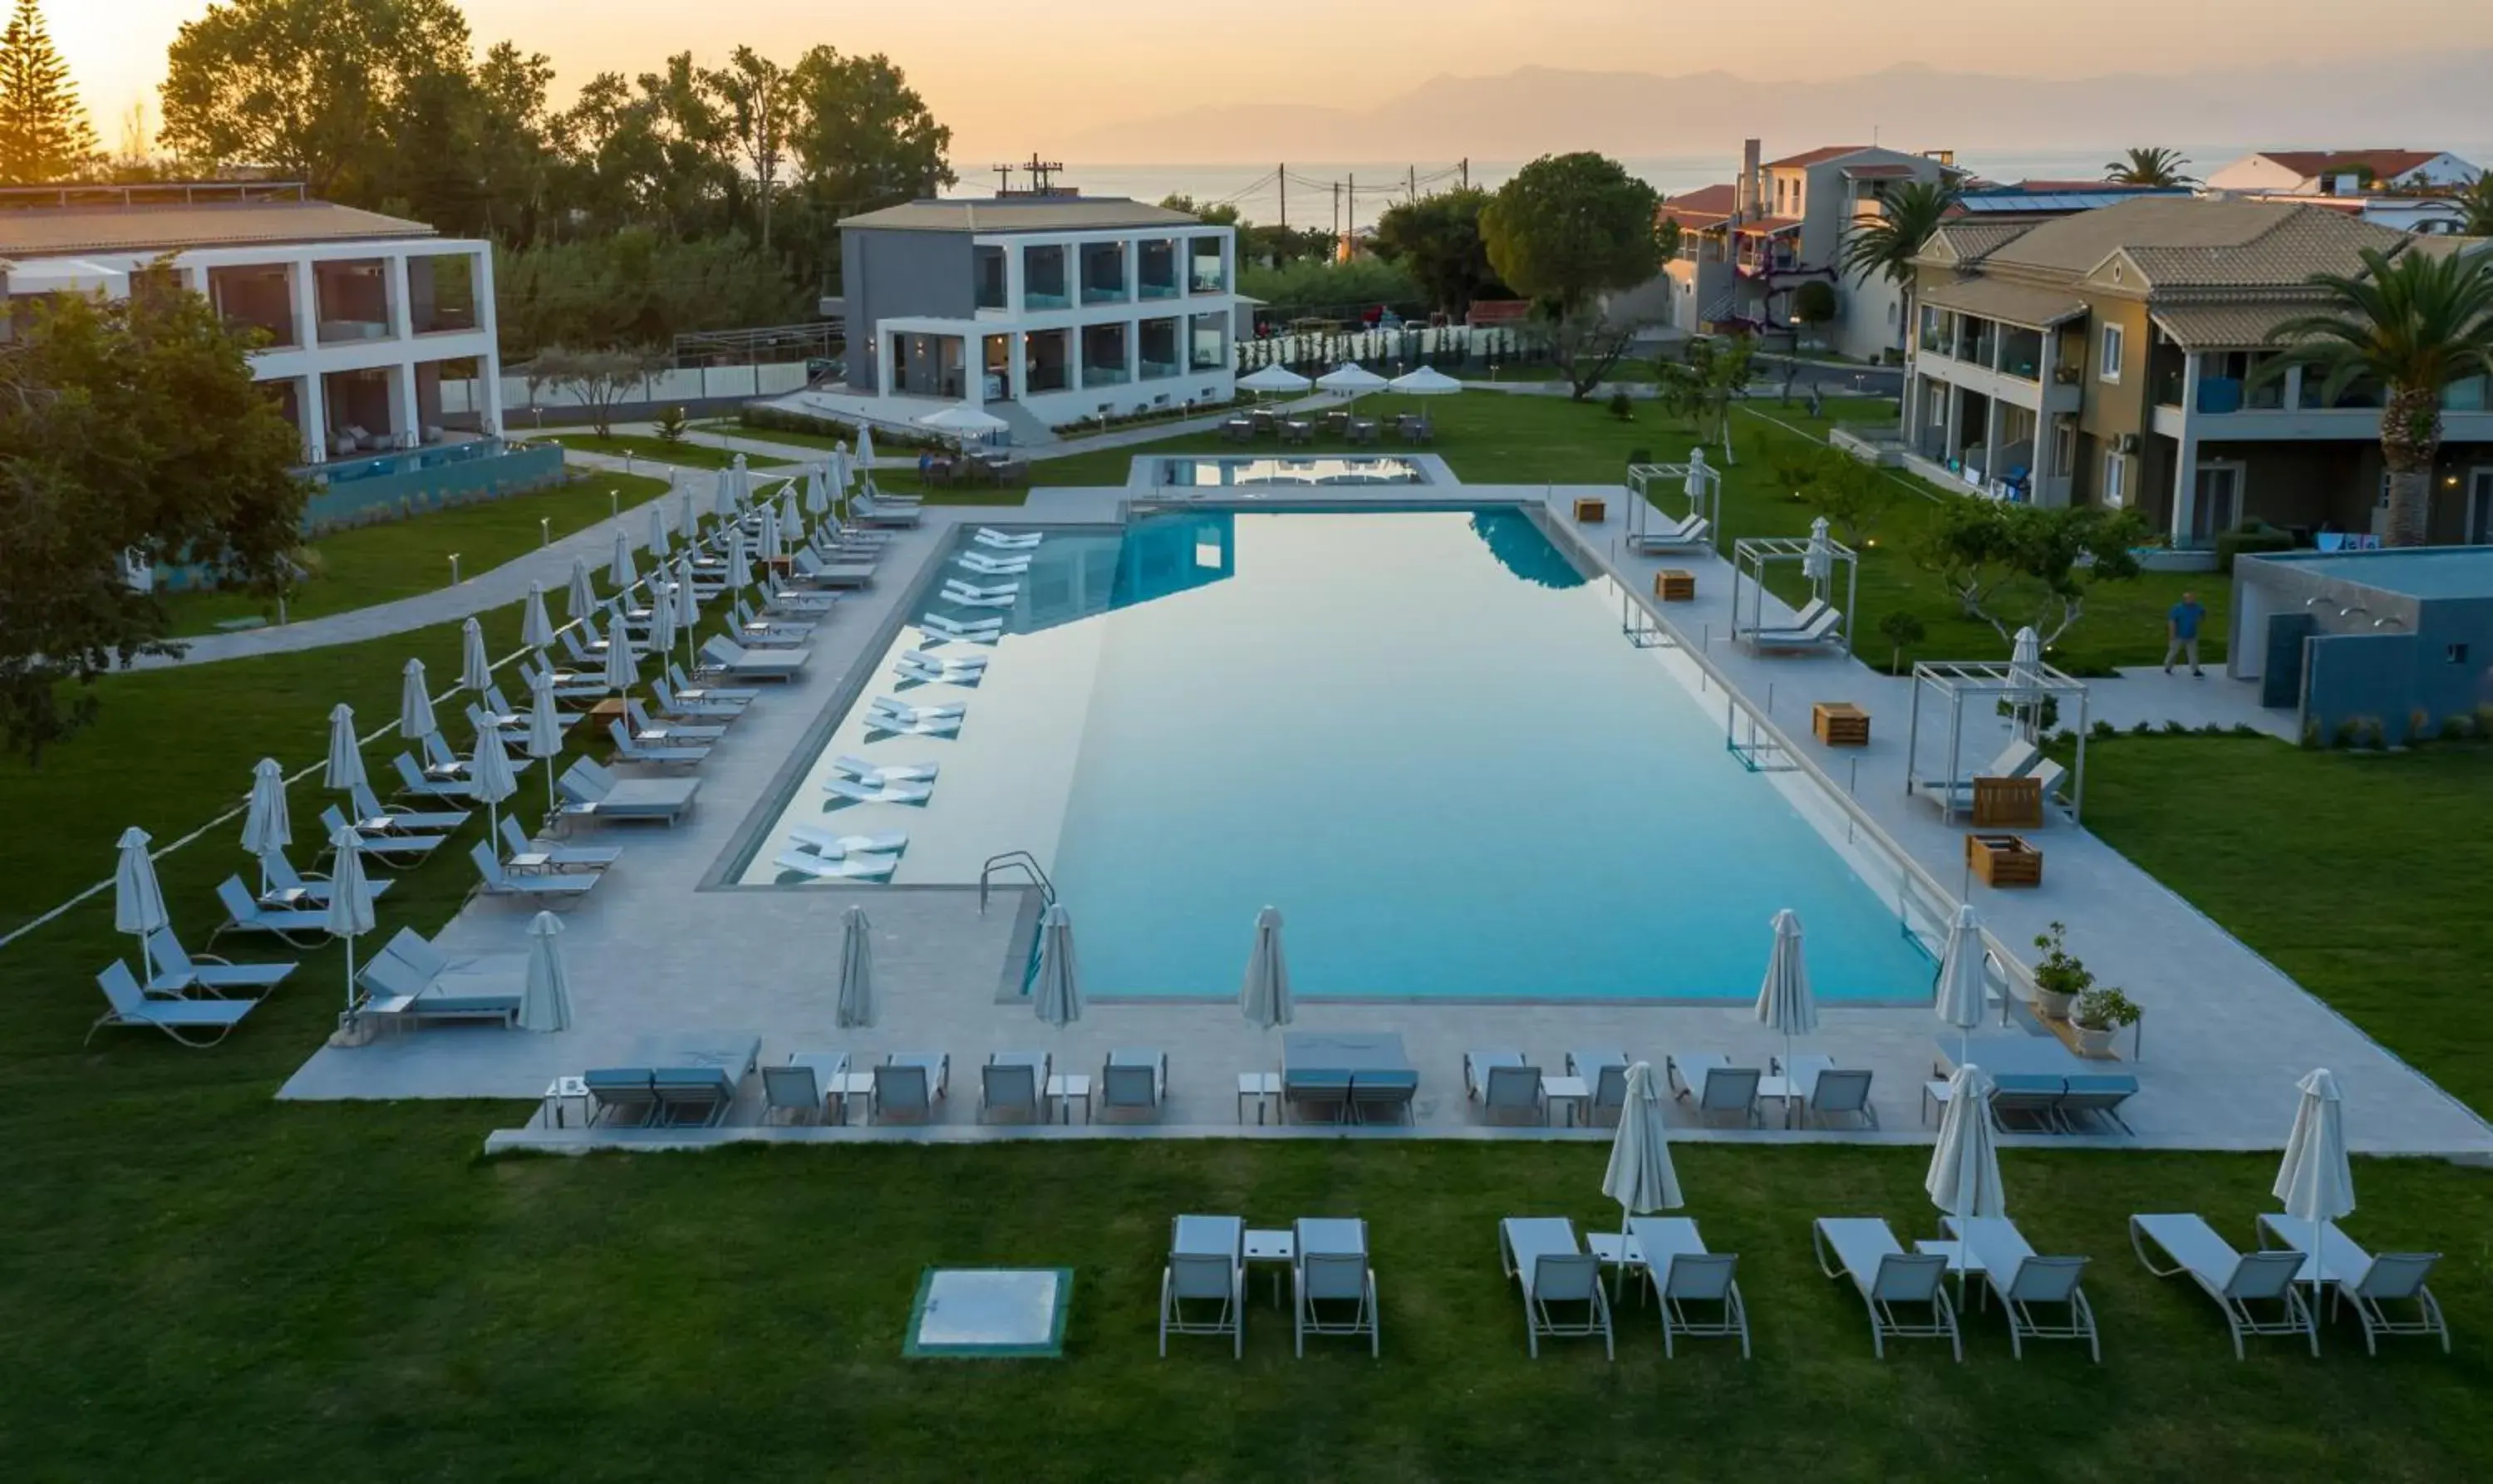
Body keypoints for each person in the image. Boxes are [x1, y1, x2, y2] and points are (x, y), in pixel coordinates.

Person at [2165, 591, 2207, 676]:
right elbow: (2172, 621)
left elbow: (2203, 612)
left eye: (2193, 598)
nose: (2192, 600)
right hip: (2178, 635)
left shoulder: (2197, 607)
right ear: (2184, 600)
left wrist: (2201, 618)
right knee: (2173, 652)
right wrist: (2172, 634)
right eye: (2190, 599)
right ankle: (2168, 667)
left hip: (2191, 635)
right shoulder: (2177, 608)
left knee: (2193, 654)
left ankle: (2195, 670)